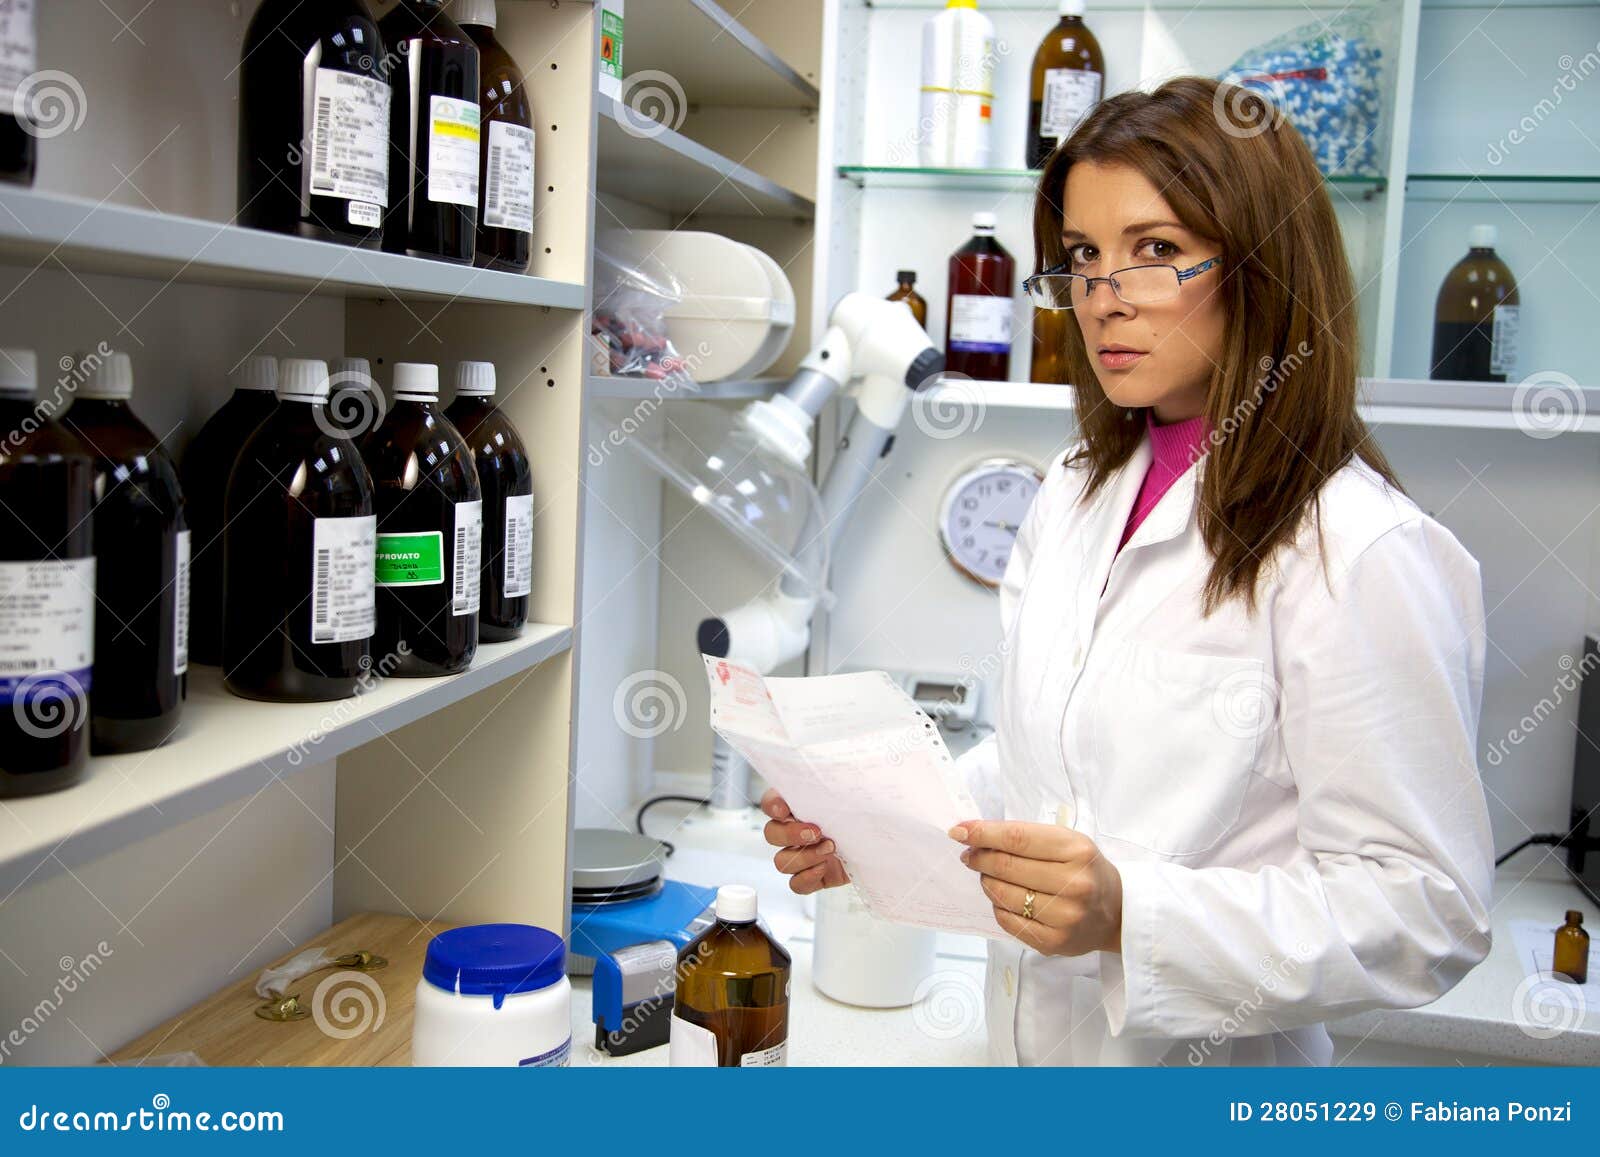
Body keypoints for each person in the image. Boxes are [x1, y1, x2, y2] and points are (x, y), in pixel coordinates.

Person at [761, 76, 1494, 1066]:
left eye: (1154, 252)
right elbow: (1041, 773)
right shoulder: (1074, 491)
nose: (1105, 298)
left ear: (1261, 264)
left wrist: (1129, 912)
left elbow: (1426, 909)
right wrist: (875, 825)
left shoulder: (1356, 547)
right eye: (1081, 258)